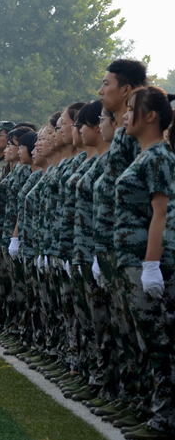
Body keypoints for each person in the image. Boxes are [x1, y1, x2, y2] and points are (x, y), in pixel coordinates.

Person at [114, 86, 175, 440]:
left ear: (150, 116)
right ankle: (156, 413)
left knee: (160, 344)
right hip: (133, 260)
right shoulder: (144, 156)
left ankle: (163, 420)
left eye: (132, 108)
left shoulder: (159, 157)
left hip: (149, 261)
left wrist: (151, 265)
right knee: (148, 342)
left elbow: (161, 212)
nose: (125, 115)